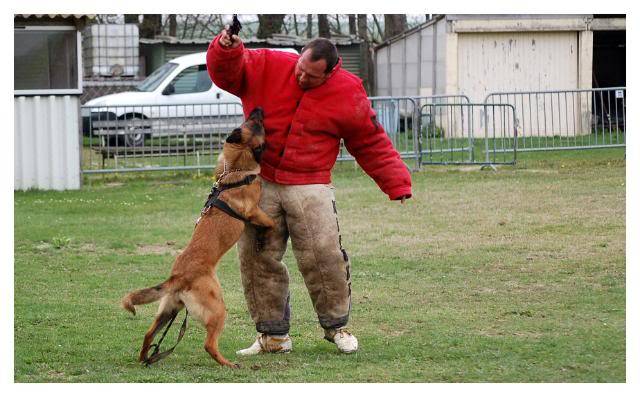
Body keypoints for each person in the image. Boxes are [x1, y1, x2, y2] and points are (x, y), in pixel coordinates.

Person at [206, 26, 412, 355]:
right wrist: (225, 48)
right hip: (263, 180)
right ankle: (272, 336)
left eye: (312, 77)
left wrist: (396, 182)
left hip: (311, 182)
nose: (301, 78)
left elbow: (370, 140)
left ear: (331, 71)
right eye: (300, 69)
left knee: (324, 255)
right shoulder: (270, 64)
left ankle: (336, 328)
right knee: (257, 256)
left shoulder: (348, 92)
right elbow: (231, 72)